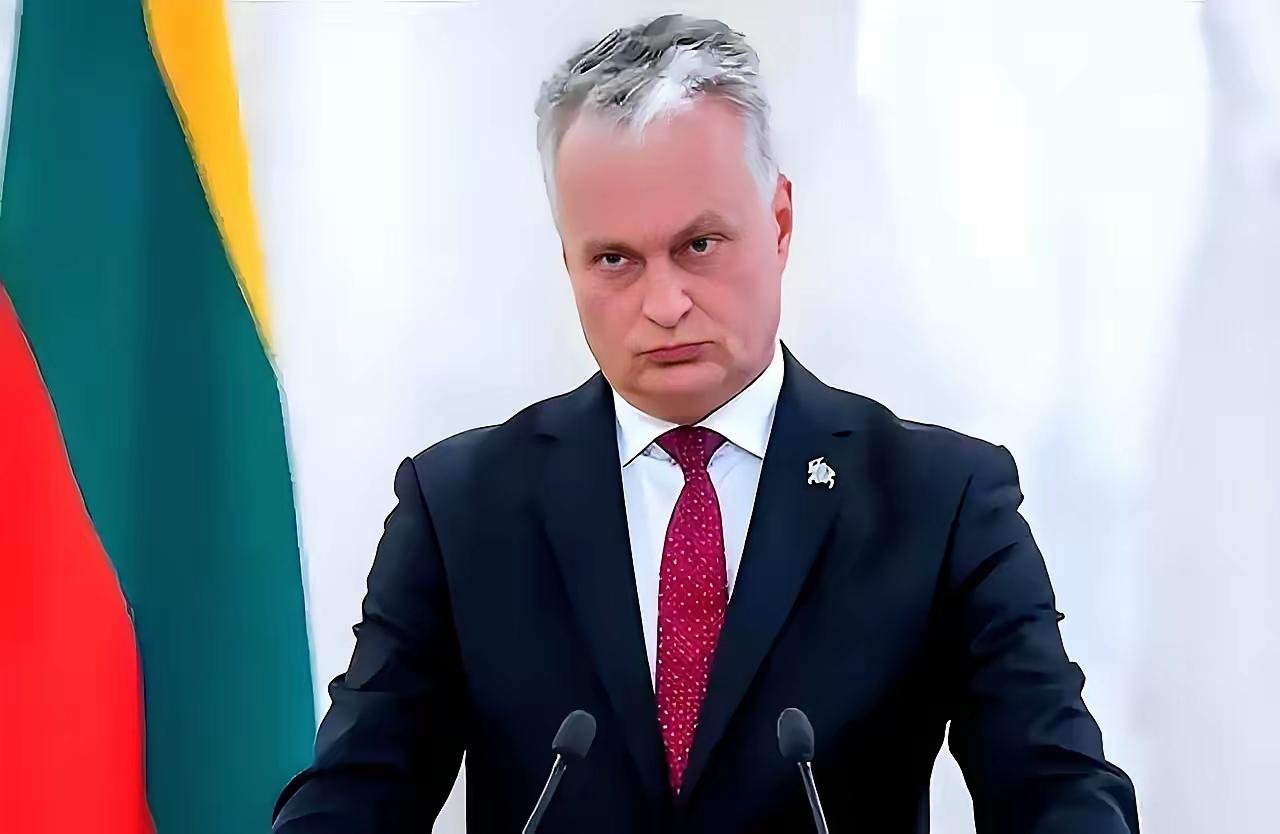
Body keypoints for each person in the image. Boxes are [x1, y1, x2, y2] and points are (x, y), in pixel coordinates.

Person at [272, 13, 1138, 833]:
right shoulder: (460, 508)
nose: (664, 303)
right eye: (615, 259)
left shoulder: (941, 502)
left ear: (780, 224)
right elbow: (352, 799)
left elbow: (1058, 791)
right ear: (568, 259)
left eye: (698, 246)